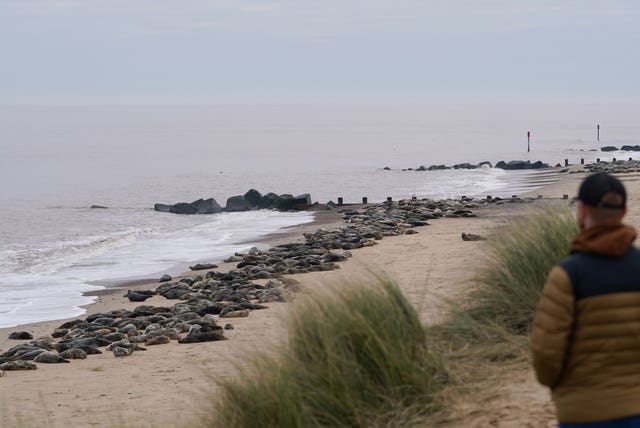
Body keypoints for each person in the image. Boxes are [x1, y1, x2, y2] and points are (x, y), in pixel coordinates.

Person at [530, 172, 640, 427]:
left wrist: (558, 385)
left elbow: (546, 355)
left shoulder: (567, 274)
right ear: (624, 212)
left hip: (584, 412)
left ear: (581, 211)